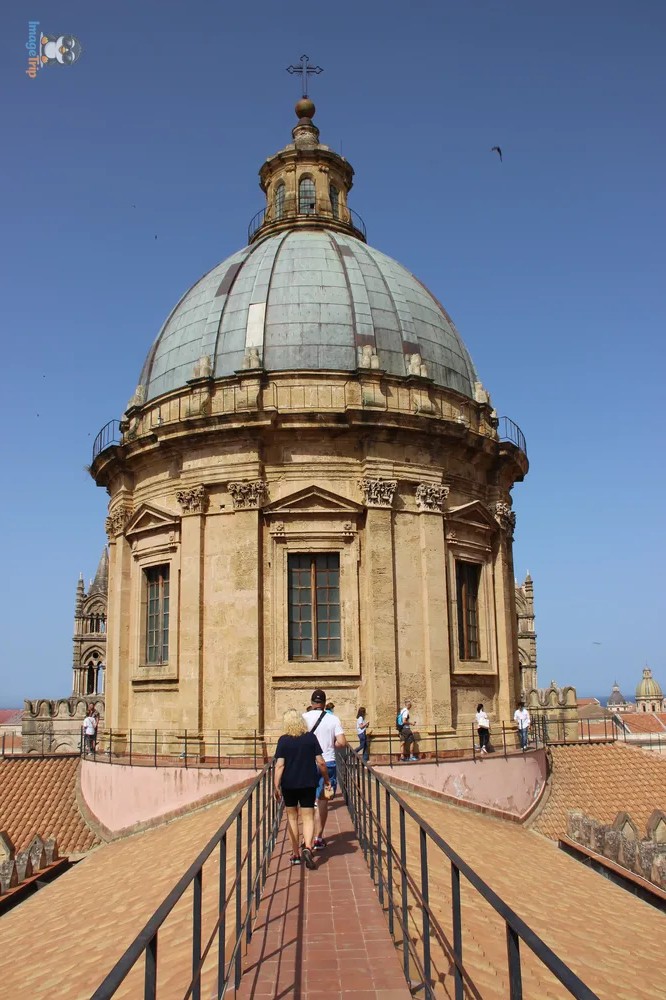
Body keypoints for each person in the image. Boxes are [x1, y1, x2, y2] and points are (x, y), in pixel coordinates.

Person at [274, 709, 330, 869]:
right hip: (308, 783)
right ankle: (308, 847)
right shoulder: (310, 738)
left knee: (292, 818)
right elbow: (321, 762)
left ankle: (295, 854)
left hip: (289, 784)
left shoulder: (283, 741)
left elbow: (280, 765)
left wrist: (276, 786)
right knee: (308, 817)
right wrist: (326, 780)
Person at [303, 689, 347, 849]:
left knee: (307, 801)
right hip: (327, 762)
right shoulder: (333, 719)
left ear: (312, 702)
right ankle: (318, 838)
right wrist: (330, 744)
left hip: (307, 763)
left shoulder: (303, 718)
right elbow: (342, 742)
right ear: (324, 703)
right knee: (322, 801)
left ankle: (306, 837)